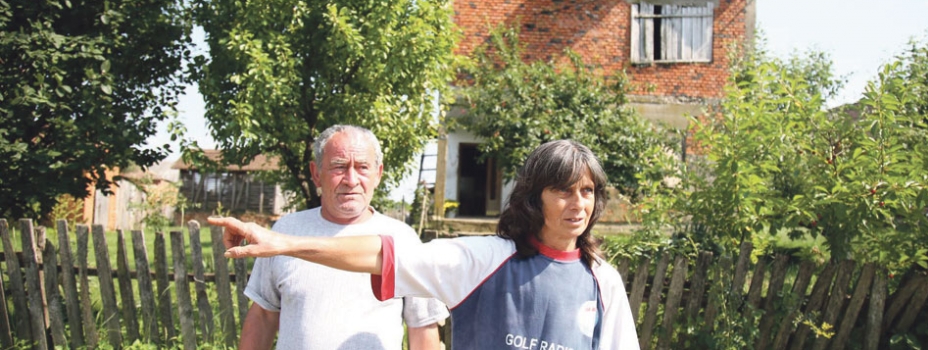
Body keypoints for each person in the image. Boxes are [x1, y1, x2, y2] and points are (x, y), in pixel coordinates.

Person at [213, 139, 641, 350]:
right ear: (534, 197)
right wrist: (283, 243)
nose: (578, 204)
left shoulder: (602, 281)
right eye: (563, 190)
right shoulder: (486, 260)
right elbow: (381, 254)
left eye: (587, 191)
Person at [238, 125, 448, 350]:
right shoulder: (286, 232)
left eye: (362, 167)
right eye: (339, 167)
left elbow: (423, 327)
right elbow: (263, 316)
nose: (351, 180)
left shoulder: (402, 240)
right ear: (316, 174)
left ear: (378, 174)